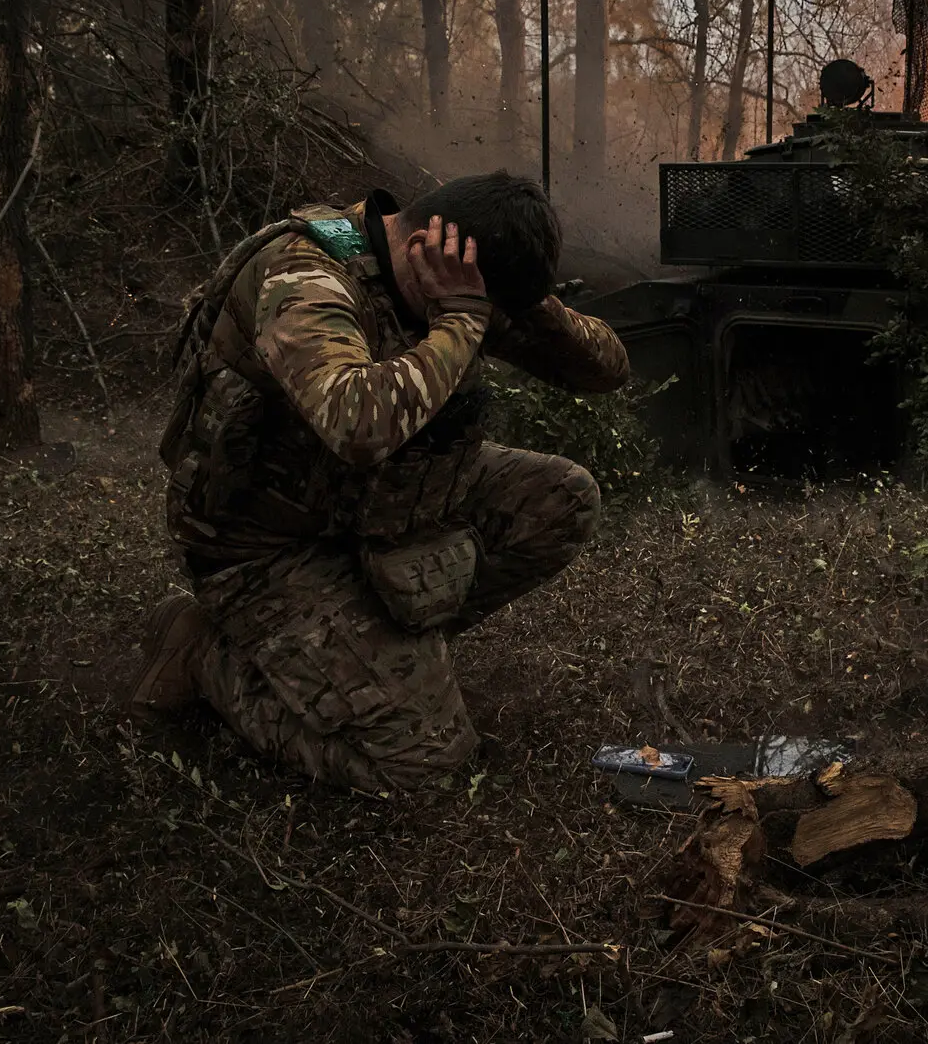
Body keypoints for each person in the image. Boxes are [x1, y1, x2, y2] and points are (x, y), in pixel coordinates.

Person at [137, 172, 630, 790]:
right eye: (478, 304)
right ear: (427, 245)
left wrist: (527, 303)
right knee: (423, 765)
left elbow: (607, 369)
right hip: (263, 545)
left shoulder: (455, 281)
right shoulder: (302, 277)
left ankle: (376, 654)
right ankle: (204, 651)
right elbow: (356, 422)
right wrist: (460, 323)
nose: (484, 322)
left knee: (562, 496)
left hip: (373, 508)